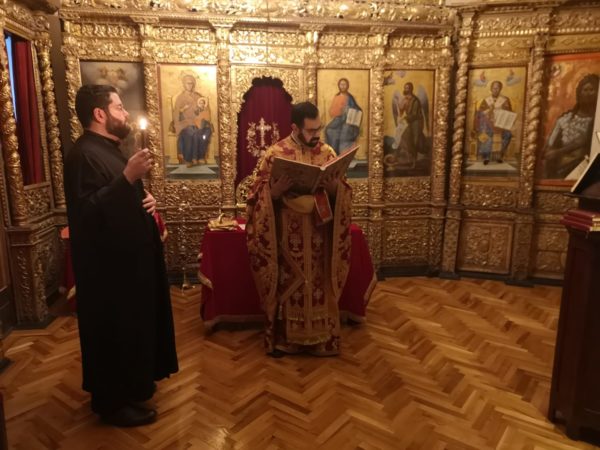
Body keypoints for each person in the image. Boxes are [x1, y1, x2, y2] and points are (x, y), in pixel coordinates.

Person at [63, 85, 178, 427]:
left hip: (129, 266)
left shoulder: (110, 150)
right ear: (100, 114)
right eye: (119, 107)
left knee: (132, 329)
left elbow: (119, 197)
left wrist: (145, 199)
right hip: (108, 273)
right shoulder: (83, 154)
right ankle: (112, 404)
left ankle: (133, 387)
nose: (125, 113)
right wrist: (128, 177)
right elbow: (87, 213)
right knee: (113, 333)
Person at [246, 102, 353, 357]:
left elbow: (343, 192)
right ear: (295, 127)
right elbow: (255, 198)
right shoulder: (275, 154)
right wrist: (274, 192)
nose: (317, 135)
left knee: (317, 283)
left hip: (319, 235)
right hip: (287, 237)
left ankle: (321, 339)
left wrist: (335, 189)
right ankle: (288, 339)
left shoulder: (327, 152)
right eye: (311, 130)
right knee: (290, 284)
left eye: (319, 129)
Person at [543, 73, 600, 179]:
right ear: (579, 93)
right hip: (559, 170)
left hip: (586, 171)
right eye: (585, 90)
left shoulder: (597, 121)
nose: (588, 93)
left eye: (592, 90)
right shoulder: (565, 119)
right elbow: (550, 146)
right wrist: (552, 153)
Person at [173, 74, 212, 167]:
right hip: (185, 123)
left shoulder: (198, 96)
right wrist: (183, 110)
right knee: (191, 132)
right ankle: (189, 158)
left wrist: (202, 113)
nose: (190, 85)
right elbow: (176, 113)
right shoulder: (180, 98)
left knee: (206, 132)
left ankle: (200, 156)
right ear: (184, 84)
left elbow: (205, 108)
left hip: (198, 122)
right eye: (188, 83)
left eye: (191, 83)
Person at [473, 80, 513, 164]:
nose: (495, 90)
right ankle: (486, 157)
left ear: (500, 89)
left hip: (501, 124)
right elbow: (480, 113)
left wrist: (501, 111)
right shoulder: (486, 100)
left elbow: (509, 112)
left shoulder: (505, 100)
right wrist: (489, 110)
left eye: (497, 88)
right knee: (484, 133)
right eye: (494, 88)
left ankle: (499, 155)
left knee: (508, 134)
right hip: (488, 124)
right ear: (491, 89)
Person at [392, 82, 427, 167]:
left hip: (416, 122)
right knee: (404, 136)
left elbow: (414, 114)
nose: (405, 89)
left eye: (407, 88)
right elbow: (401, 112)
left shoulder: (415, 100)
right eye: (405, 88)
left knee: (414, 140)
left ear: (411, 89)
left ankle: (414, 161)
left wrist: (405, 118)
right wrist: (398, 104)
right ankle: (407, 157)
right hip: (409, 121)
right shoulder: (405, 99)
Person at [324, 77, 362, 154]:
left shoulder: (350, 97)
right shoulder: (337, 96)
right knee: (328, 130)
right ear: (339, 85)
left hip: (348, 121)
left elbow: (357, 109)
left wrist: (348, 109)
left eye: (344, 84)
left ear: (347, 86)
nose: (343, 86)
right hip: (338, 119)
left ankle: (341, 153)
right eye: (341, 84)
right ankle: (333, 152)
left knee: (344, 133)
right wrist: (338, 110)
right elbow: (332, 111)